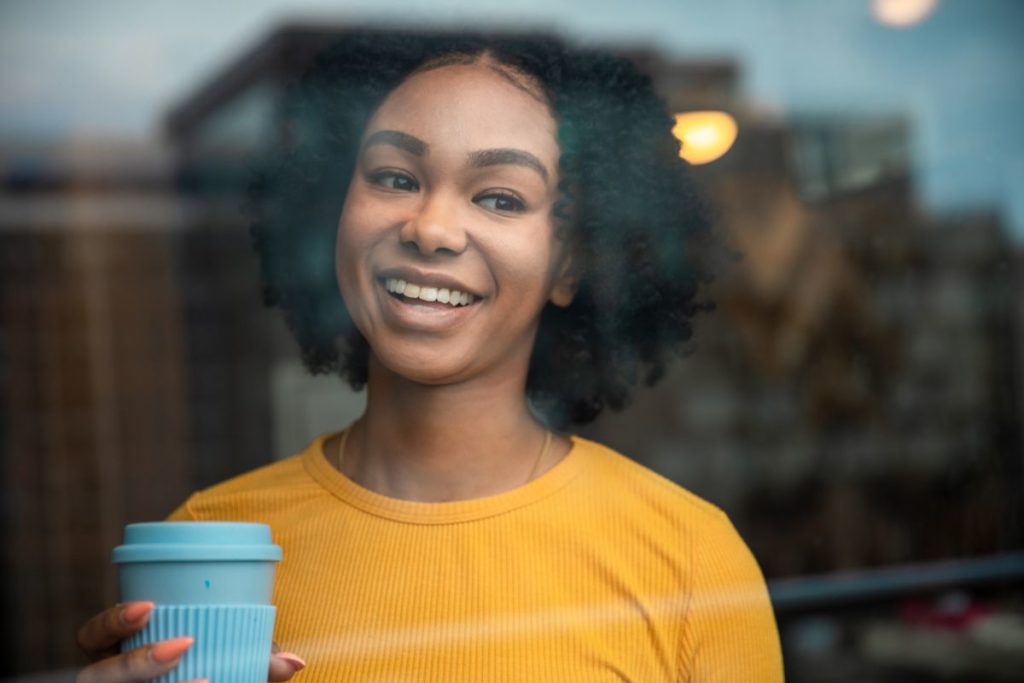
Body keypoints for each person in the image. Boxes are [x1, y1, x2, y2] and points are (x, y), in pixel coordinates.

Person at [76, 31, 783, 682]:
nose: (433, 227)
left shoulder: (690, 562)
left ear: (571, 265)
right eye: (395, 178)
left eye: (501, 197)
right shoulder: (209, 548)